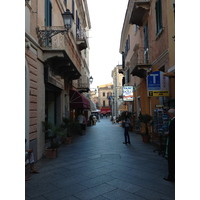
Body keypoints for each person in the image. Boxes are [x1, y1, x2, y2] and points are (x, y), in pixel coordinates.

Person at [163, 109, 175, 182]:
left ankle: (171, 176)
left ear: (171, 114)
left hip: (173, 144)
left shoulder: (173, 122)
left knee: (171, 160)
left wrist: (168, 133)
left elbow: (173, 133)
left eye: (168, 114)